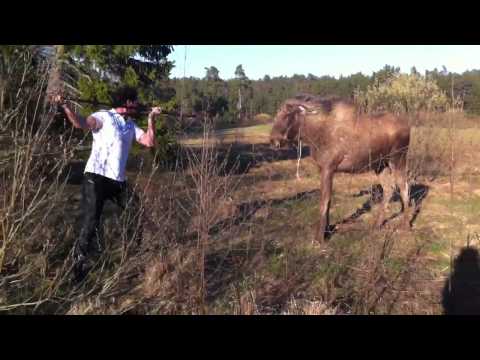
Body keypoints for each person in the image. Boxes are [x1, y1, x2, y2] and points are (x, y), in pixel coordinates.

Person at [52, 86, 162, 282]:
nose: (136, 105)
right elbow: (81, 123)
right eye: (134, 102)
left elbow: (149, 141)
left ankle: (131, 260)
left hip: (117, 181)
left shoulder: (130, 125)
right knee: (91, 221)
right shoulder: (103, 117)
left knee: (135, 212)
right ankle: (78, 269)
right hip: (96, 177)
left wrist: (151, 119)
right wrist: (65, 106)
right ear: (126, 102)